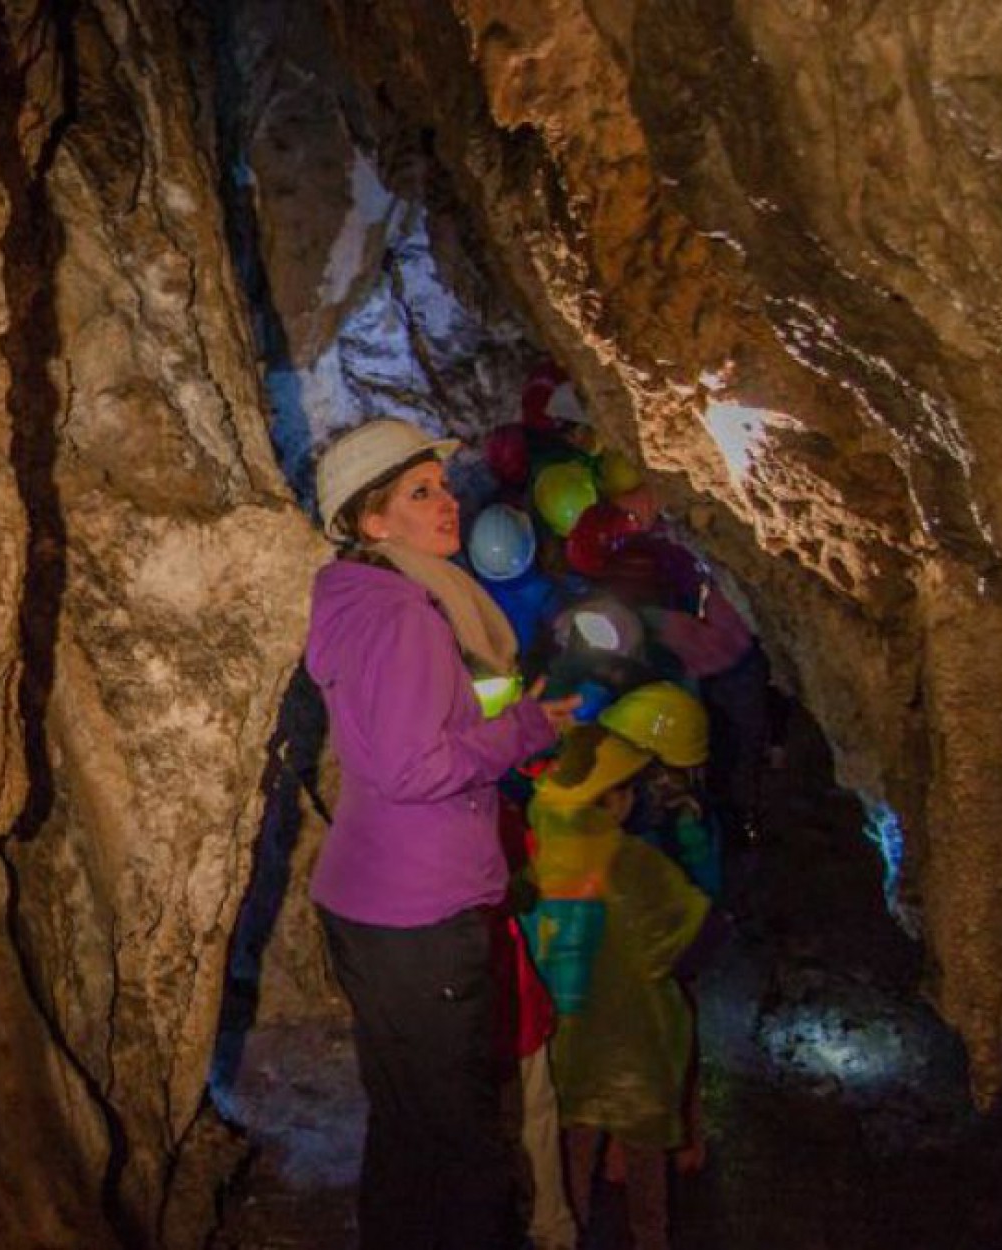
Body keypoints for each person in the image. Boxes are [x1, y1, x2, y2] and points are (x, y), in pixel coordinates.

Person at [306, 419, 580, 1249]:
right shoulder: (404, 613)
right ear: (370, 521)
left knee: (409, 1130)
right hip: (419, 913)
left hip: (374, 899)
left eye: (442, 485)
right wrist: (527, 728)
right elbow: (414, 767)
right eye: (418, 492)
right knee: (463, 1152)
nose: (446, 502)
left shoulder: (359, 596)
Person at [529, 726, 710, 1250]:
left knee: (573, 1157)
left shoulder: (539, 855)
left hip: (567, 1044)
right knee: (646, 1174)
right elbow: (694, 938)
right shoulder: (633, 863)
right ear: (609, 800)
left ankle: (569, 1235)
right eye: (627, 787)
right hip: (636, 1048)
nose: (633, 797)